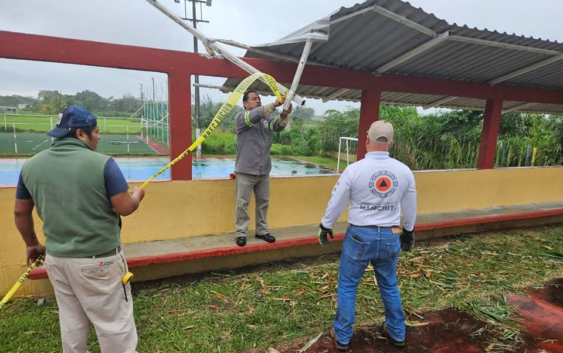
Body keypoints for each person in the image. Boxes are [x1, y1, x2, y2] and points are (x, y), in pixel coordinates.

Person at [14, 105, 145, 353]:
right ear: (80, 135)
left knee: (71, 320)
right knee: (114, 324)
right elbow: (125, 207)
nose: (99, 136)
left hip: (57, 261)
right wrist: (138, 194)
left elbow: (20, 211)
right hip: (99, 262)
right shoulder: (103, 163)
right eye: (96, 132)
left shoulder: (30, 166)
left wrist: (32, 244)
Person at [317, 120, 417, 351]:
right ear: (391, 143)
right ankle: (397, 332)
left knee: (348, 285)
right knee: (389, 284)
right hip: (391, 235)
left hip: (359, 237)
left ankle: (342, 336)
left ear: (366, 140)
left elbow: (337, 200)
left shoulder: (355, 169)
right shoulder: (404, 171)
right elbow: (410, 206)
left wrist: (326, 225)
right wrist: (409, 232)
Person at [233, 91, 293, 247]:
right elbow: (253, 116)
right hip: (245, 170)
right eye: (253, 99)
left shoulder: (265, 119)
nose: (257, 101)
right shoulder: (241, 118)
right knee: (242, 204)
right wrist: (273, 105)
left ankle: (262, 231)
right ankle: (241, 233)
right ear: (245, 104)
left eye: (259, 99)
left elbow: (277, 126)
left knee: (263, 202)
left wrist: (284, 115)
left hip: (263, 170)